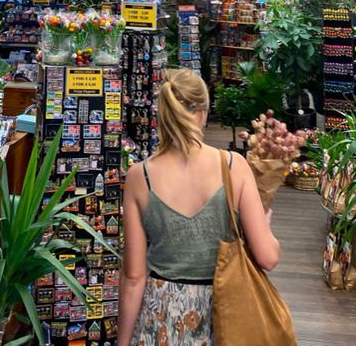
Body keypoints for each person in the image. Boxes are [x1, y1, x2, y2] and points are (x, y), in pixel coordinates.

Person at [118, 68, 280, 346]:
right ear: (203, 113)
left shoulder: (138, 177)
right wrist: (264, 227)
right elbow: (267, 257)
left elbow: (133, 277)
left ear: (162, 115)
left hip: (160, 319)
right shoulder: (233, 167)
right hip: (225, 313)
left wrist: (122, 341)